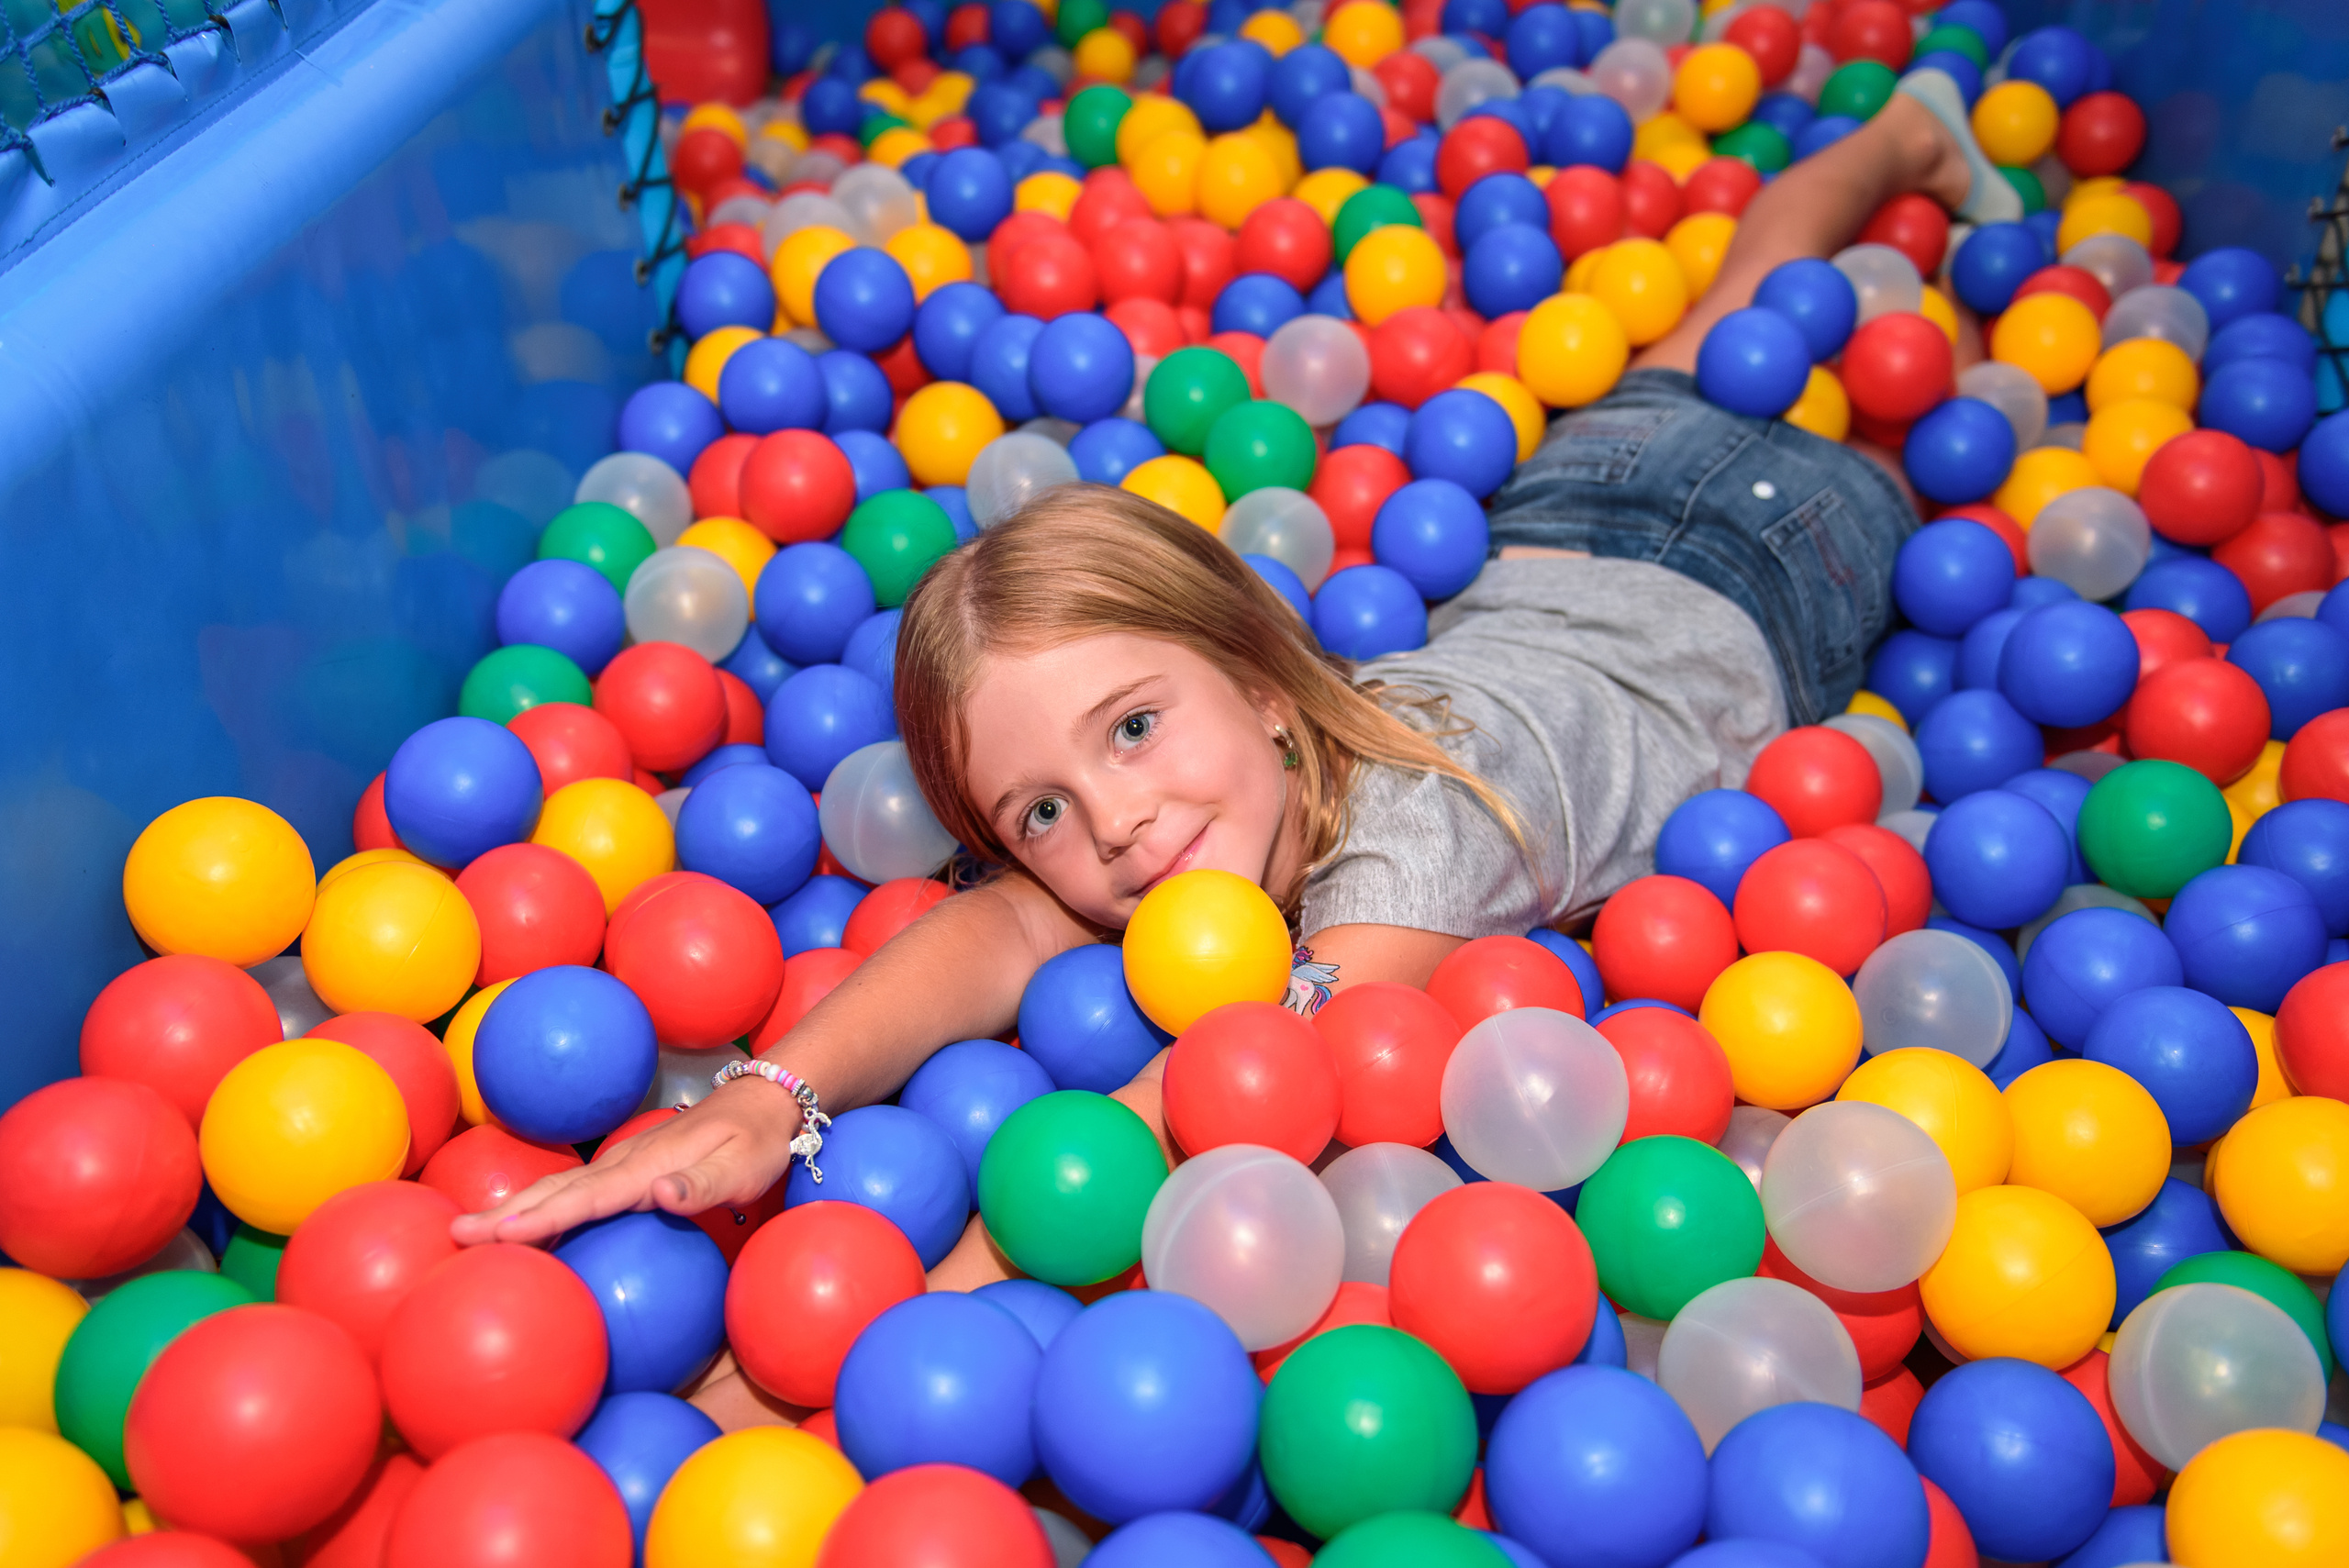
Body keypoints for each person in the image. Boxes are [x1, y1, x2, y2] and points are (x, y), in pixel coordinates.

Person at [453, 77, 1999, 1296]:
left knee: (1857, 402)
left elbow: (1227, 1091)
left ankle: (1929, 212)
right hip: (1545, 528)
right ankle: (1912, 136)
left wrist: (936, 1297)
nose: (1117, 821)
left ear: (1268, 680)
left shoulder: (1411, 840)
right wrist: (769, 1091)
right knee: (1734, 304)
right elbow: (996, 924)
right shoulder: (1188, 824)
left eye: (1133, 725)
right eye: (1041, 805)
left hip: (1760, 568)